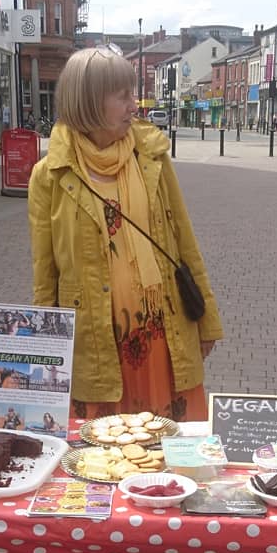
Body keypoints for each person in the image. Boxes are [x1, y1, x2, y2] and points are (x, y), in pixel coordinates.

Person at [28, 46, 222, 421]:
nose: (135, 106)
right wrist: (46, 348)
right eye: (123, 97)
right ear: (89, 102)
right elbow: (45, 272)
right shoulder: (49, 175)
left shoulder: (150, 157)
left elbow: (184, 242)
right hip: (96, 344)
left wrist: (207, 321)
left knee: (166, 454)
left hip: (161, 336)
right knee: (103, 460)